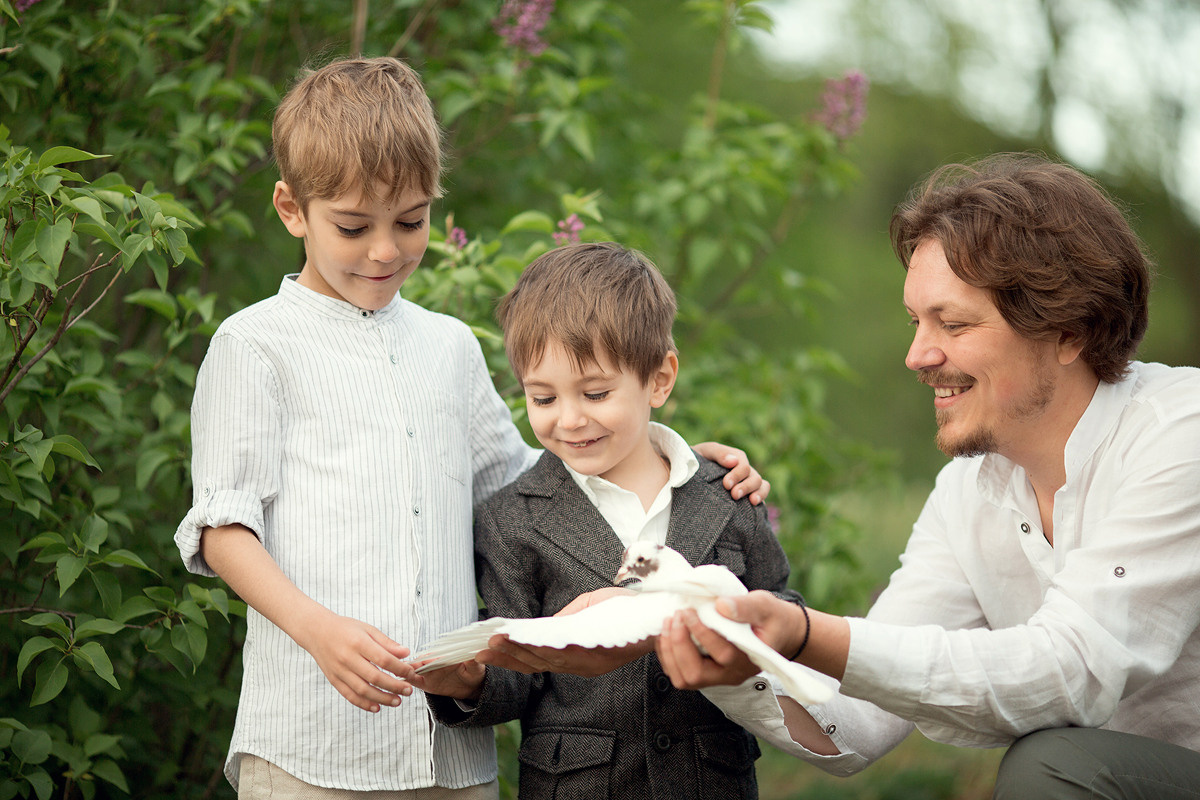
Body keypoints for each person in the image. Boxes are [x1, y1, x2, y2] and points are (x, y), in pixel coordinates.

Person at [173, 58, 766, 797]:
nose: (386, 249)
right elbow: (224, 527)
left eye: (412, 221)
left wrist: (675, 464)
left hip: (454, 749)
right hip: (311, 738)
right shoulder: (254, 345)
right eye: (354, 226)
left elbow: (540, 483)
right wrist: (319, 630)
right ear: (292, 209)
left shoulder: (449, 345)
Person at [654, 152, 1200, 799]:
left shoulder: (1180, 433)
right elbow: (853, 724)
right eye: (917, 322)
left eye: (955, 323)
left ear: (1068, 329)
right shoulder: (969, 492)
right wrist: (740, 654)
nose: (918, 355)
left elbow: (1070, 671)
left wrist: (806, 632)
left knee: (1051, 763)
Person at [412, 242, 804, 799]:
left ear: (659, 379)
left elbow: (783, 607)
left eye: (595, 393)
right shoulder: (513, 520)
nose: (569, 420)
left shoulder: (725, 494)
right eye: (543, 398)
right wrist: (469, 682)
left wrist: (738, 628)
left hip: (709, 779)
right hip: (577, 784)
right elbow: (519, 664)